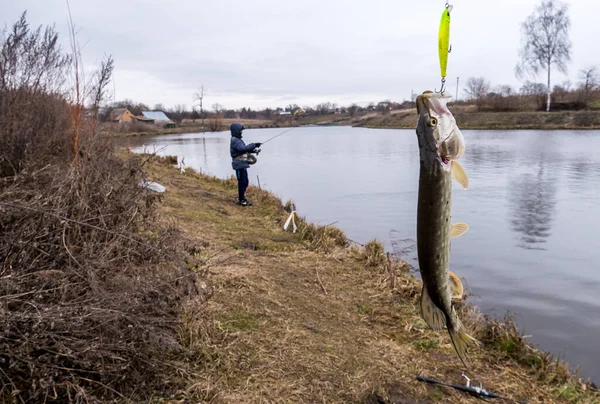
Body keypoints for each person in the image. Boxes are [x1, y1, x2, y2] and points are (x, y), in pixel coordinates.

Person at [230, 123, 261, 206]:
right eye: (240, 130)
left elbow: (242, 150)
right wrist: (254, 144)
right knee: (242, 182)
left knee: (245, 182)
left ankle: (242, 197)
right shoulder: (235, 140)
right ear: (236, 131)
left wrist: (254, 150)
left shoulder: (238, 140)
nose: (241, 132)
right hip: (239, 165)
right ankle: (241, 200)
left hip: (242, 164)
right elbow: (243, 148)